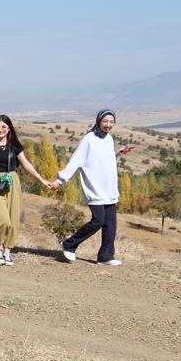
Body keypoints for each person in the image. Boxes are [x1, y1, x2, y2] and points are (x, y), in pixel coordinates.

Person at [0, 114, 56, 266]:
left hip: (12, 182)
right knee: (2, 218)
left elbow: (26, 165)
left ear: (9, 128)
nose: (0, 130)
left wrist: (41, 179)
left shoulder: (15, 146)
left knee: (13, 220)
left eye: (4, 127)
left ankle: (7, 251)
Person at [56, 109, 130, 266]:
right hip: (94, 188)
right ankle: (69, 244)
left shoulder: (109, 139)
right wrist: (60, 180)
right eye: (105, 121)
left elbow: (104, 159)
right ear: (98, 121)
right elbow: (76, 161)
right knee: (98, 220)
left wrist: (118, 152)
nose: (108, 125)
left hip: (109, 188)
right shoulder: (88, 139)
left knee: (110, 224)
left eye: (111, 122)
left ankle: (105, 256)